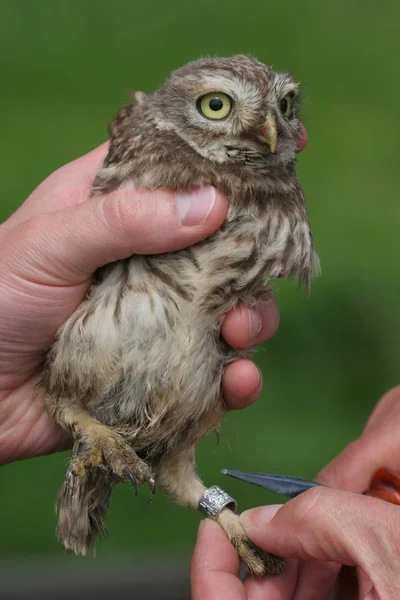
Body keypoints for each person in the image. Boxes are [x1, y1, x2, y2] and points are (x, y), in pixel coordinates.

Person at [2, 134, 397, 599]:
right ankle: (86, 424)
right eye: (217, 106)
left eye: (284, 108)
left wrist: (233, 523)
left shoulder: (267, 199)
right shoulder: (160, 186)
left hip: (181, 380)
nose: (263, 128)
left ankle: (221, 511)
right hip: (90, 362)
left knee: (196, 434)